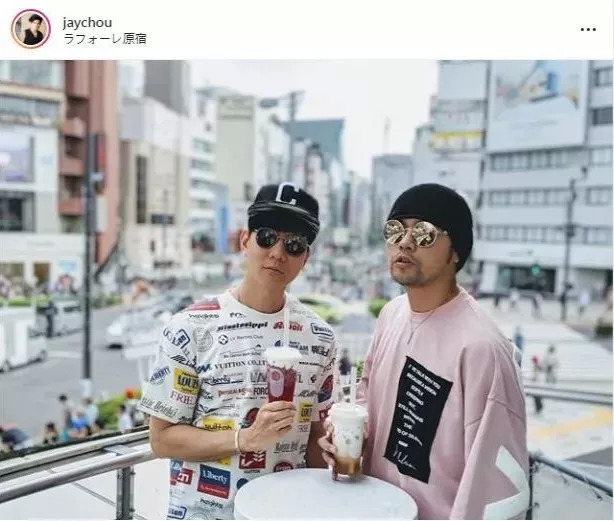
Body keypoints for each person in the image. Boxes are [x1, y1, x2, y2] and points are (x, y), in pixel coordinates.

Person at [319, 184, 528, 519]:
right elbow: (368, 396)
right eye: (395, 230)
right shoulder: (391, 314)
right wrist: (349, 434)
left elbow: (498, 491)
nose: (405, 242)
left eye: (424, 233)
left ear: (456, 251)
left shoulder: (482, 349)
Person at [138, 183, 338, 521]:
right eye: (266, 237)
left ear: (305, 258)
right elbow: (162, 440)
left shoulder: (320, 337)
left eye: (294, 244)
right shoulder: (191, 327)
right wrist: (245, 439)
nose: (277, 253)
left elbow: (316, 435)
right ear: (245, 241)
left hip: (287, 513)